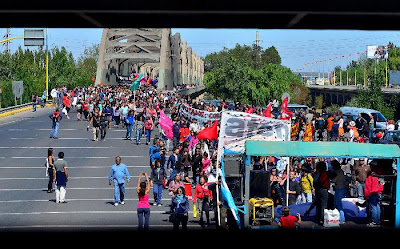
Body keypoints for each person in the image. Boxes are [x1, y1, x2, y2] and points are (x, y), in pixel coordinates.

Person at [304, 161, 330, 225]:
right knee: (323, 205)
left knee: (318, 204)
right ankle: (322, 219)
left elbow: (314, 181)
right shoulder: (325, 173)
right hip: (323, 189)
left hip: (317, 190)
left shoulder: (316, 173)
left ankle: (318, 218)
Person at [331, 160, 346, 224]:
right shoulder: (341, 171)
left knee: (338, 204)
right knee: (337, 203)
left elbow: (334, 180)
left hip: (339, 188)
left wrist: (331, 175)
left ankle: (342, 219)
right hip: (341, 188)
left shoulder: (337, 172)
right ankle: (339, 218)